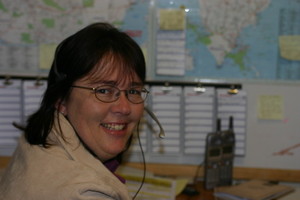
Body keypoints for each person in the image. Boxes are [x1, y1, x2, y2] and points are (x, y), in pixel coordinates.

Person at [0, 22, 149, 199]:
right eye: (103, 90)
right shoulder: (87, 193)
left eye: (133, 91)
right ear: (61, 100)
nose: (124, 108)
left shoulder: (40, 138)